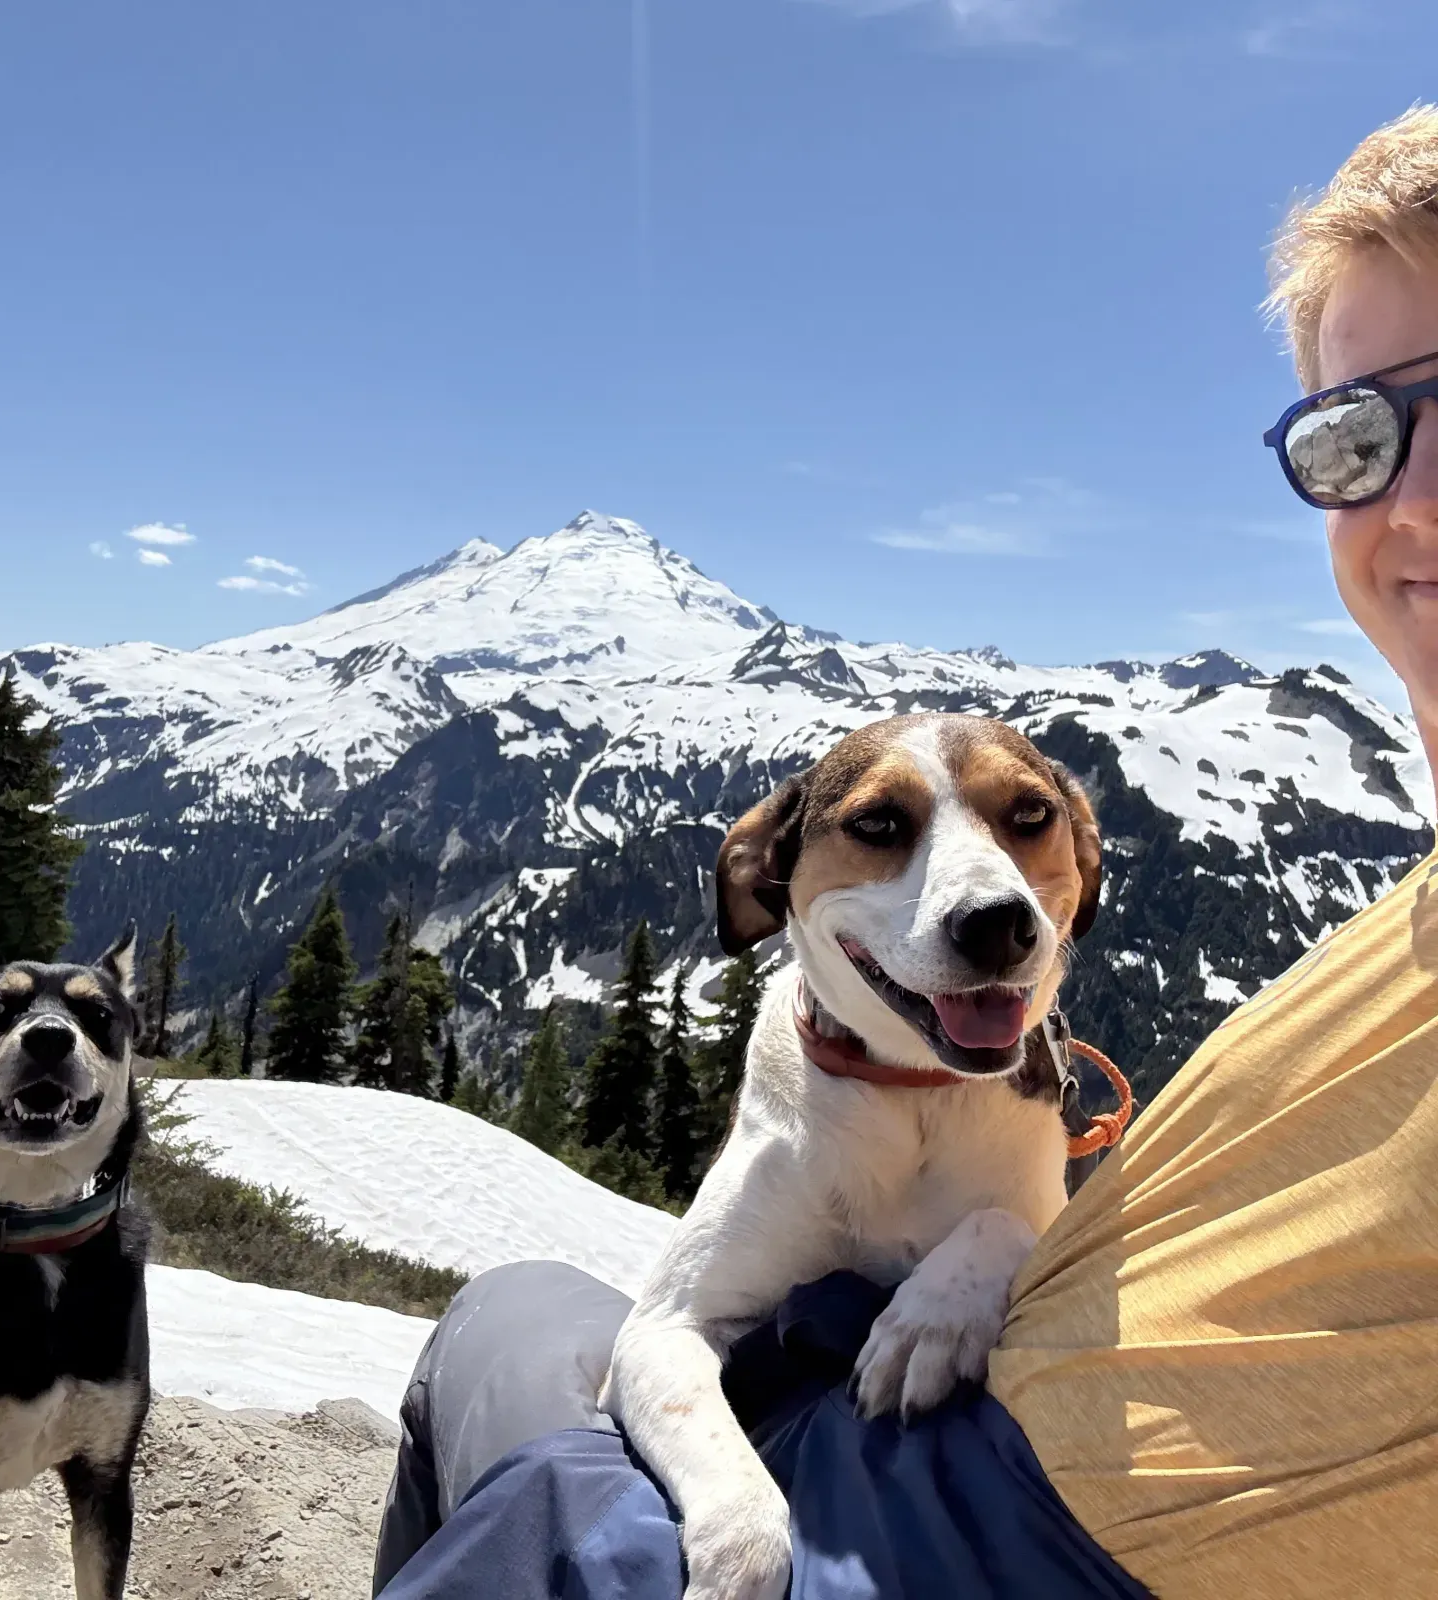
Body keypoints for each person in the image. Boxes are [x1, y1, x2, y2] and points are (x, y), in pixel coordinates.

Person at [371, 107, 1438, 1600]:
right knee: (533, 1307)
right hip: (833, 1473)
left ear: (1077, 861)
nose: (1417, 500)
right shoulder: (1387, 941)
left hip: (943, 1542)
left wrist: (994, 1247)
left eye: (1025, 824)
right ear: (772, 884)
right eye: (1357, 436)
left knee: (505, 1322)